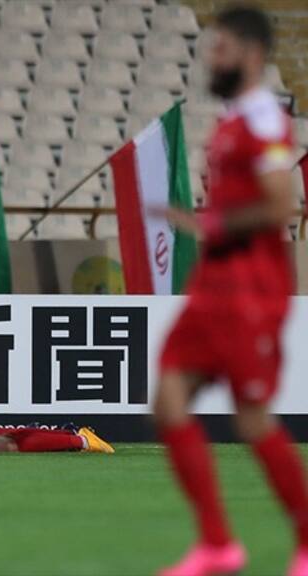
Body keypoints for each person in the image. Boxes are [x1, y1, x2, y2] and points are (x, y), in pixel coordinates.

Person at [153, 7, 308, 576]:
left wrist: (213, 224)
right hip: (215, 282)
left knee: (251, 418)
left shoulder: (266, 118)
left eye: (219, 48)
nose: (210, 58)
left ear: (249, 51)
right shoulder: (232, 118)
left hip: (249, 284)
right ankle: (218, 544)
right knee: (169, 399)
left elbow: (280, 204)